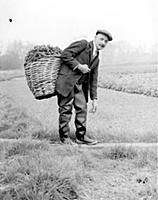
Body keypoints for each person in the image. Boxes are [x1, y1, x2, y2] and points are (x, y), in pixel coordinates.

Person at [55, 29, 113, 145]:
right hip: (67, 82)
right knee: (66, 110)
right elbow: (65, 54)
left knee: (82, 109)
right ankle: (64, 138)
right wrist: (79, 66)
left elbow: (93, 80)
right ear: (95, 37)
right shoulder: (83, 44)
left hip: (80, 86)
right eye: (101, 39)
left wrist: (94, 99)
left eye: (106, 41)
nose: (103, 43)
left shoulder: (97, 58)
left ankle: (81, 137)